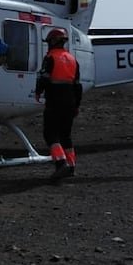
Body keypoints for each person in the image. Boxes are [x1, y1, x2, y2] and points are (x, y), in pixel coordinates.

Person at [35, 28, 82, 181]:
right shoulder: (72, 59)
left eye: (49, 42)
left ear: (53, 42)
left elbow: (44, 77)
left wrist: (38, 91)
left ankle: (61, 163)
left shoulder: (50, 57)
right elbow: (77, 86)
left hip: (55, 99)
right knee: (65, 135)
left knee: (50, 134)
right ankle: (71, 165)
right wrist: (76, 105)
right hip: (70, 100)